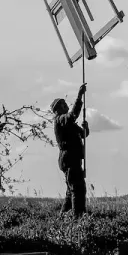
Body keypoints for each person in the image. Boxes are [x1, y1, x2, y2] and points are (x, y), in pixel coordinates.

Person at [51, 82, 89, 218]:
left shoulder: (68, 122)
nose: (66, 105)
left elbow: (84, 134)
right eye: (62, 104)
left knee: (71, 190)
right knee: (78, 188)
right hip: (69, 158)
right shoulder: (61, 119)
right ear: (57, 110)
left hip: (72, 158)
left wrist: (86, 129)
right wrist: (79, 96)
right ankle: (78, 218)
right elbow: (74, 114)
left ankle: (64, 216)